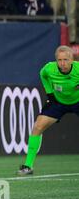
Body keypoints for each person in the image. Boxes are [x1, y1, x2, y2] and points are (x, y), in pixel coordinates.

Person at [18, 46, 79, 175]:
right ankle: (28, 166)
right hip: (58, 102)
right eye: (59, 60)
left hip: (77, 101)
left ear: (72, 59)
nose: (62, 63)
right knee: (37, 126)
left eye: (66, 60)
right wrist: (50, 94)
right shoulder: (49, 68)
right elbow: (42, 75)